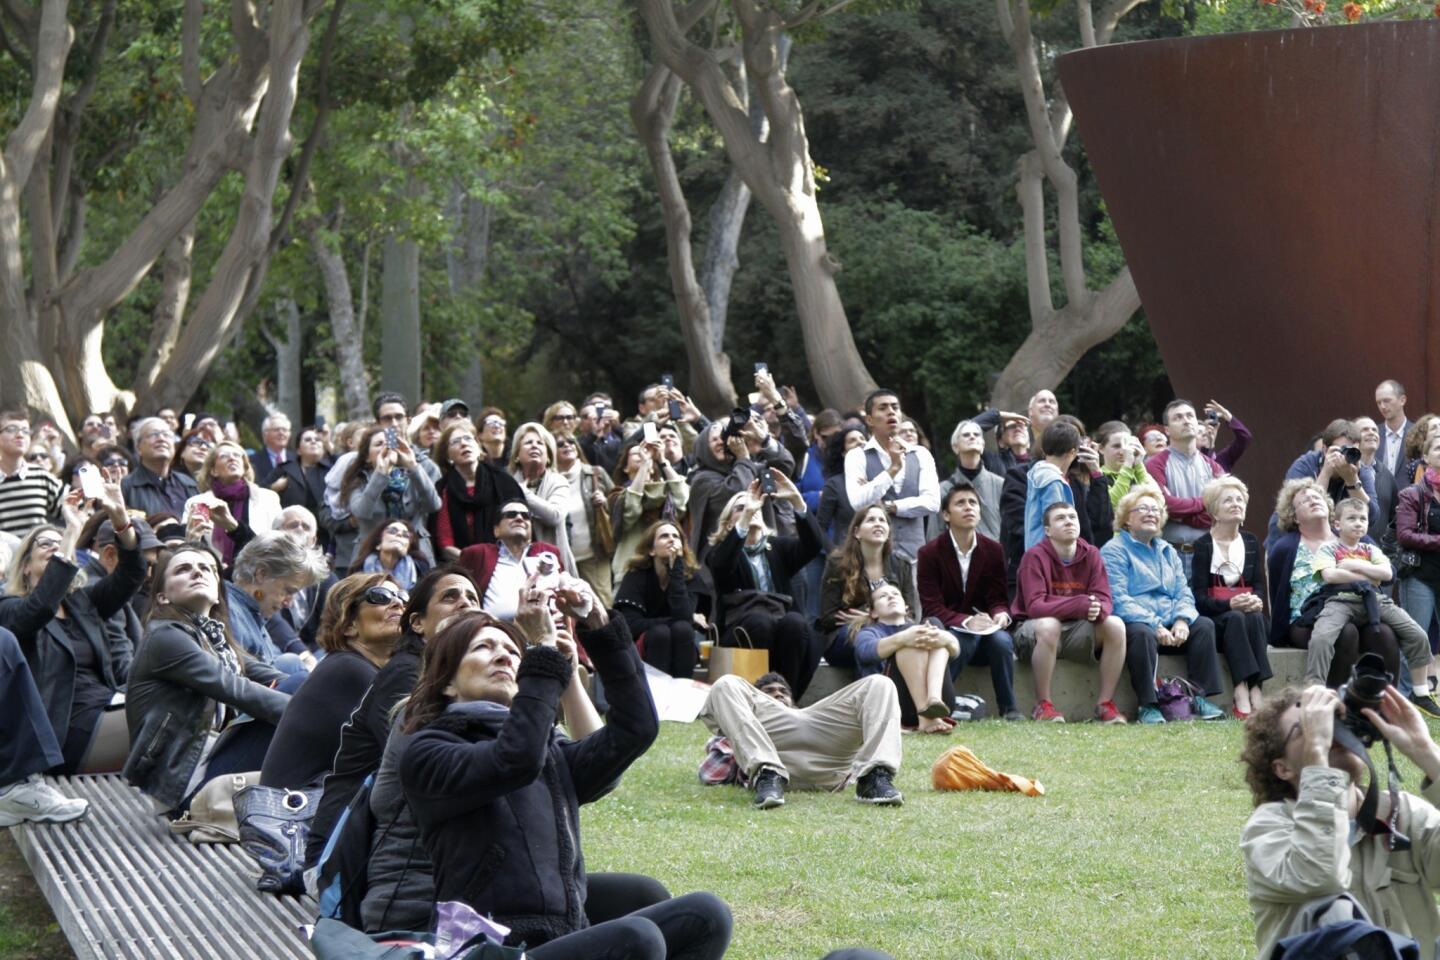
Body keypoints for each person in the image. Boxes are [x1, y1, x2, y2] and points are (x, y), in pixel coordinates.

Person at [401, 594, 733, 958]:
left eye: (513, 652)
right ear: (447, 683)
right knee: (637, 937)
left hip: (561, 933)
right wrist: (541, 651)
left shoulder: (548, 751)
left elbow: (634, 730)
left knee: (707, 914)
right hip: (492, 950)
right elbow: (515, 759)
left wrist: (598, 625)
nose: (503, 656)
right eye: (482, 647)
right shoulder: (428, 751)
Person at [1240, 685, 1440, 960]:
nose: (1328, 733)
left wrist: (1427, 752)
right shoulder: (1268, 828)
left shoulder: (1399, 813)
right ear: (1282, 768)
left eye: (1334, 722)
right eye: (1305, 728)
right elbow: (1320, 876)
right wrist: (1317, 757)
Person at [304, 565, 482, 870]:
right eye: (450, 597)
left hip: (389, 845)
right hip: (345, 858)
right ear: (417, 623)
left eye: (472, 598)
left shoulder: (452, 676)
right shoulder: (405, 672)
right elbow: (417, 769)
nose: (464, 603)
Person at [124, 545, 291, 813]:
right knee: (298, 705)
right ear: (163, 597)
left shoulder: (214, 638)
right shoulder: (166, 638)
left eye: (206, 569)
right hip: (188, 788)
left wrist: (319, 695)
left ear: (217, 594)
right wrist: (312, 715)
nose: (197, 573)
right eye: (183, 569)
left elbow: (272, 676)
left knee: (295, 681)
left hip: (211, 761)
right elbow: (237, 690)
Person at [0, 483, 145, 773]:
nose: (55, 546)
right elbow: (40, 608)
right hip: (64, 734)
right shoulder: (9, 609)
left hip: (109, 707)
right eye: (46, 543)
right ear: (25, 566)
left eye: (61, 541)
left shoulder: (83, 602)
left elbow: (131, 574)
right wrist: (70, 530)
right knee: (169, 721)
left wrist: (119, 519)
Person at [259, 574, 405, 790]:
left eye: (403, 596)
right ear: (349, 625)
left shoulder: (356, 667)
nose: (398, 602)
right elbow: (403, 754)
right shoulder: (349, 670)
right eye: (381, 596)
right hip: (297, 813)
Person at [1100, 485, 1226, 723]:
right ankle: (1148, 705)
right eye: (1143, 509)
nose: (1151, 513)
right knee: (1140, 632)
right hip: (1142, 625)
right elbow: (1118, 598)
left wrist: (1182, 619)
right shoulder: (1114, 550)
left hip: (1171, 625)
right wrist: (1155, 624)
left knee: (1204, 625)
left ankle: (1200, 697)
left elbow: (1183, 591)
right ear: (1126, 519)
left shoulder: (1167, 550)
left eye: (1156, 510)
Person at [699, 670, 903, 809]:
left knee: (880, 683)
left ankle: (874, 777)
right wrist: (735, 741)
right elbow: (709, 774)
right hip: (769, 748)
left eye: (783, 691)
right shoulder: (751, 718)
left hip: (828, 745)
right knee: (725, 683)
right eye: (768, 692)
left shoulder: (815, 713)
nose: (777, 694)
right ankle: (768, 773)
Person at [1306, 498, 1436, 712]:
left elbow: (1386, 574)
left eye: (1362, 519)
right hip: (1341, 599)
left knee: (1417, 634)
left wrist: (1353, 565)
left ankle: (1420, 692)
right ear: (1337, 524)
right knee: (1321, 637)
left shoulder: (1370, 548)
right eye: (1352, 518)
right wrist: (1368, 575)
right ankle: (1314, 689)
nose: (1358, 523)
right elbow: (1330, 575)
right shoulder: (1328, 549)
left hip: (1375, 601)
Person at [1269, 478, 1400, 688]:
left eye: (1317, 496)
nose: (1313, 500)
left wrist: (1357, 570)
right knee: (1346, 632)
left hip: (1359, 609)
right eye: (1304, 501)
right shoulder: (1284, 548)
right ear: (1293, 515)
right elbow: (1277, 593)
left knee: (1384, 635)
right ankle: (1335, 702)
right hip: (1307, 619)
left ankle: (1385, 703)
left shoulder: (1355, 536)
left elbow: (1389, 573)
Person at [706, 474, 826, 700]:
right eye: (741, 508)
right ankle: (756, 698)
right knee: (759, 621)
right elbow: (722, 565)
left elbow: (814, 545)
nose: (751, 509)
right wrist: (745, 520)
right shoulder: (720, 552)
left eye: (755, 507)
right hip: (741, 630)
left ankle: (784, 699)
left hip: (781, 627)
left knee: (795, 622)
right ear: (729, 523)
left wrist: (797, 501)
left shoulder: (778, 548)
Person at [1010, 502, 1130, 723]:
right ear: (1047, 530)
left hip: (1076, 632)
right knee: (1049, 624)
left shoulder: (1091, 554)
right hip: (1033, 633)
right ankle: (1043, 705)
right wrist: (1079, 605)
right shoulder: (1034, 557)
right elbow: (1035, 606)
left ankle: (1105, 705)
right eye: (1060, 518)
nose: (1068, 521)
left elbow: (1104, 598)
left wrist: (1098, 609)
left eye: (1072, 517)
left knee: (1115, 625)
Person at [916, 482, 1021, 720]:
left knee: (1002, 641)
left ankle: (1010, 709)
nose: (968, 508)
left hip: (986, 630)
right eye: (960, 503)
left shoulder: (993, 550)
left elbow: (997, 598)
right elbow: (931, 606)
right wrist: (966, 621)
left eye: (973, 502)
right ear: (946, 515)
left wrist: (1000, 614)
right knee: (964, 640)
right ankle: (938, 702)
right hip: (948, 628)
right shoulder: (929, 553)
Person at [1189, 477, 1272, 719]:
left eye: (1239, 500)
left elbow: (1258, 586)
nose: (1236, 504)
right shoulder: (1203, 545)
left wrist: (1256, 599)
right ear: (1215, 510)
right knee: (1235, 617)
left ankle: (1256, 688)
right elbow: (1198, 598)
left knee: (1255, 617)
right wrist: (1229, 604)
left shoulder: (1251, 541)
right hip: (1216, 620)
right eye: (1228, 500)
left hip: (1247, 618)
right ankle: (1240, 689)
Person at [0, 625, 90, 825]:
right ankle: (13, 786)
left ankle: (14, 785)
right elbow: (36, 610)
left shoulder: (81, 604)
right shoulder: (11, 605)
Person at [816, 505, 919, 671]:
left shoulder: (901, 565)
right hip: (846, 637)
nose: (878, 524)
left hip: (894, 630)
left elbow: (911, 613)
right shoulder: (837, 564)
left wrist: (874, 616)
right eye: (871, 520)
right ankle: (876, 691)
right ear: (857, 532)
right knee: (867, 632)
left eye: (882, 520)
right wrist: (868, 619)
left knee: (928, 629)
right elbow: (828, 617)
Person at [843, 389, 940, 562]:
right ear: (869, 420)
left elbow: (932, 503)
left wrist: (890, 506)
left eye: (895, 407)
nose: (891, 412)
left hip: (915, 556)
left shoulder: (920, 454)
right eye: (883, 408)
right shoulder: (857, 456)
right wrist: (892, 469)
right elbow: (858, 502)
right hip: (872, 557)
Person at [686, 416, 795, 562]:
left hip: (766, 552)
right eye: (714, 440)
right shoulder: (701, 480)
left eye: (724, 438)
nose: (721, 442)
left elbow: (785, 466)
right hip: (729, 560)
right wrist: (743, 458)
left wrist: (764, 441)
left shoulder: (750, 468)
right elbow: (740, 493)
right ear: (704, 449)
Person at [854, 582, 958, 732]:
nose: (891, 597)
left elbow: (955, 653)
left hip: (943, 703)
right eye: (883, 596)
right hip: (897, 707)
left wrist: (947, 639)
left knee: (934, 624)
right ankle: (925, 716)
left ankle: (933, 700)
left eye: (896, 594)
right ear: (873, 612)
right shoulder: (868, 633)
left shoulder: (924, 628)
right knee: (913, 633)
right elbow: (865, 653)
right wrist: (903, 638)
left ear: (906, 608)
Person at [615, 520, 711, 679]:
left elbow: (684, 620)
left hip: (682, 646)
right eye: (664, 536)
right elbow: (631, 625)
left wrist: (676, 569)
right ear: (652, 550)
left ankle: (682, 691)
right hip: (646, 648)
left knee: (683, 629)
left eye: (676, 536)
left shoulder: (691, 578)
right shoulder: (635, 576)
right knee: (661, 633)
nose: (672, 539)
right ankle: (656, 696)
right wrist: (683, 619)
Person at [1144, 399, 1230, 576]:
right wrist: (1205, 502)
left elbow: (1224, 509)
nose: (1186, 420)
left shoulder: (1212, 466)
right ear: (1167, 430)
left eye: (1190, 415)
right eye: (1178, 417)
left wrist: (1183, 516)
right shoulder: (1155, 465)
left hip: (1211, 553)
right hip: (1174, 554)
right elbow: (1165, 505)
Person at [225, 531, 328, 675]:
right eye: (288, 591)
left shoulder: (251, 612)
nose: (288, 603)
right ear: (262, 574)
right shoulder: (228, 611)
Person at [343, 422, 442, 568]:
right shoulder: (358, 479)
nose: (386, 448)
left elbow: (434, 505)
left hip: (415, 552)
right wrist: (380, 473)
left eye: (390, 443)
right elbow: (362, 512)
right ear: (367, 457)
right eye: (379, 444)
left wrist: (413, 466)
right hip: (370, 554)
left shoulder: (413, 475)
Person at [1268, 418, 1378, 547]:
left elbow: (1372, 517)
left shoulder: (1360, 470)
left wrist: (1352, 480)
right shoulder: (1304, 465)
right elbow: (1296, 509)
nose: (1345, 456)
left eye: (1352, 450)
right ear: (1325, 450)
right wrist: (1326, 472)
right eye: (1341, 450)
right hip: (1290, 536)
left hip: (1332, 541)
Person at [430, 421, 525, 561]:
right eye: (456, 441)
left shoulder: (504, 483)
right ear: (448, 456)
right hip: (460, 564)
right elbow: (445, 545)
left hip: (506, 561)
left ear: (479, 448)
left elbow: (519, 529)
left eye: (468, 438)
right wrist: (475, 560)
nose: (464, 444)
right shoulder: (443, 489)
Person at [458, 499, 565, 621]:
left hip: (549, 631)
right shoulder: (477, 555)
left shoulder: (548, 553)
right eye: (510, 515)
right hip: (496, 634)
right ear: (496, 530)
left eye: (525, 516)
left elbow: (565, 596)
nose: (519, 518)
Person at [607, 434, 690, 588]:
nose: (644, 454)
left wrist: (662, 460)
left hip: (666, 568)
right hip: (630, 569)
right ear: (625, 467)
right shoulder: (616, 496)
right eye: (637, 453)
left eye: (646, 452)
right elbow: (630, 511)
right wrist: (644, 466)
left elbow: (682, 501)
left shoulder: (667, 492)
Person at [189, 440, 283, 568]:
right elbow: (191, 541)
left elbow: (278, 541)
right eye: (224, 456)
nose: (232, 458)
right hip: (215, 573)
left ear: (244, 468)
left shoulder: (268, 498)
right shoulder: (198, 502)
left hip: (259, 571)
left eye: (237, 455)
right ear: (213, 471)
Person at [1398, 432, 1440, 693]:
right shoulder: (1412, 494)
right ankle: (1406, 695)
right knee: (1415, 638)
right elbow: (1404, 535)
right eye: (1437, 447)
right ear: (1426, 457)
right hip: (1419, 574)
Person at [555, 433, 615, 607]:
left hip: (595, 555)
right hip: (563, 560)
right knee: (569, 610)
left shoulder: (595, 473)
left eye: (571, 441)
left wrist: (605, 502)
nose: (567, 445)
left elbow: (618, 505)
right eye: (560, 444)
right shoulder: (548, 481)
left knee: (603, 606)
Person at [510, 422, 577, 574]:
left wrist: (523, 493)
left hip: (552, 564)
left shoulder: (559, 481)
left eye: (540, 443)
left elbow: (555, 515)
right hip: (515, 563)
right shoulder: (506, 483)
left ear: (548, 457)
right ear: (516, 456)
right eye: (528, 442)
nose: (534, 446)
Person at [930, 419, 1003, 541]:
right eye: (966, 435)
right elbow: (934, 536)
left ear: (983, 445)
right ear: (955, 446)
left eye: (976, 435)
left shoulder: (1000, 485)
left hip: (996, 556)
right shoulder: (942, 490)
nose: (972, 437)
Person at [266, 425, 333, 553]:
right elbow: (261, 491)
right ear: (298, 450)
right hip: (290, 532)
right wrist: (274, 488)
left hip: (324, 534)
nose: (313, 441)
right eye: (307, 440)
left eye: (318, 440)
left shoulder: (332, 469)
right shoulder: (285, 469)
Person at [0, 409, 66, 537]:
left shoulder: (42, 476)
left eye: (25, 431)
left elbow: (78, 512)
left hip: (37, 555)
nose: (20, 435)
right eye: (11, 429)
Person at [122, 417, 199, 519]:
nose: (162, 439)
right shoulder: (127, 486)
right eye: (154, 434)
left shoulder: (190, 484)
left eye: (167, 435)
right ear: (138, 447)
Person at [1022, 420, 1080, 552]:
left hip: (1036, 551)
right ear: (1072, 452)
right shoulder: (1052, 482)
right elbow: (1056, 525)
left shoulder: (1038, 473)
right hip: (1049, 556)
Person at [815, 426, 866, 541]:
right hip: (846, 553)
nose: (860, 442)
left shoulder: (882, 477)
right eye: (852, 440)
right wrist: (833, 553)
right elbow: (820, 529)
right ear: (843, 452)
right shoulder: (834, 485)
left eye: (863, 438)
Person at [352, 519, 431, 591]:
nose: (399, 534)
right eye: (392, 531)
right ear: (378, 544)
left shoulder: (420, 570)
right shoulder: (359, 569)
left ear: (408, 547)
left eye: (405, 535)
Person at [1096, 420, 1149, 510]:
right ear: (1101, 448)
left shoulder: (1137, 471)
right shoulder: (1097, 477)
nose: (1123, 452)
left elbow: (1158, 500)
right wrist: (1127, 465)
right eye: (1116, 446)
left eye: (1127, 446)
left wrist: (1139, 464)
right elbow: (1111, 504)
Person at [1376, 378, 1412, 479]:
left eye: (1387, 401)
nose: (1382, 406)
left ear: (1402, 400)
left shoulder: (1418, 434)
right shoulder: (1373, 435)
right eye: (1378, 402)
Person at [250, 413, 292, 484]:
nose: (281, 433)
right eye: (276, 430)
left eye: (284, 430)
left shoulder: (298, 460)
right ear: (265, 435)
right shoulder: (252, 461)